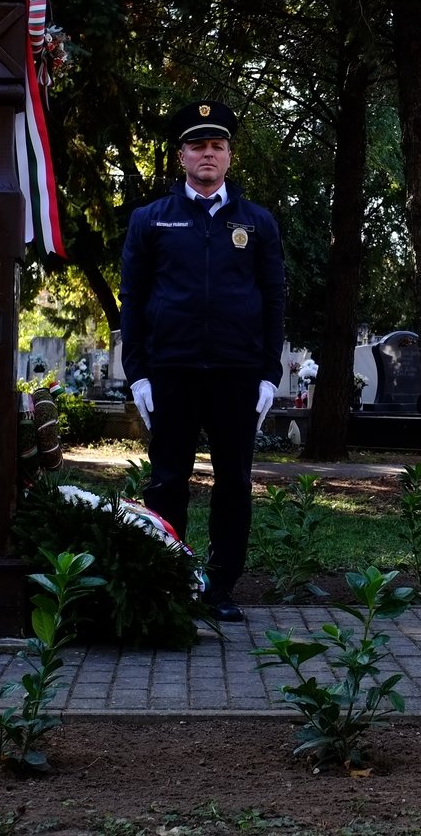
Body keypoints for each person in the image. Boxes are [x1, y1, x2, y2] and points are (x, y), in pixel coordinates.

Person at [118, 100, 286, 622]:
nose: (207, 154)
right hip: (172, 370)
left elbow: (274, 297)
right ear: (181, 156)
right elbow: (134, 296)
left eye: (217, 145)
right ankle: (170, 580)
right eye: (197, 145)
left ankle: (220, 588)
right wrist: (139, 372)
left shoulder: (257, 223)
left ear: (230, 156)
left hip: (238, 373)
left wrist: (269, 373)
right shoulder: (151, 220)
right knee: (168, 480)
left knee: (233, 482)